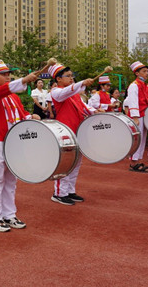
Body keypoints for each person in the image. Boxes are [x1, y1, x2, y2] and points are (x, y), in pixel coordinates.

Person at [0, 59, 39, 232]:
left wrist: (30, 117)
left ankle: (9, 214)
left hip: (13, 143)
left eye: (9, 74)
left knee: (11, 181)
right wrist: (23, 80)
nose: (8, 77)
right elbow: (3, 91)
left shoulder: (13, 97)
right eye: (4, 74)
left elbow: (21, 115)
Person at [48, 63, 96, 205]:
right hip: (65, 132)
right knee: (65, 163)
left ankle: (70, 190)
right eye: (67, 76)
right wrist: (82, 83)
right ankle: (59, 193)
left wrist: (96, 112)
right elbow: (64, 93)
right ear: (58, 79)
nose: (71, 78)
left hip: (77, 130)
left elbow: (84, 107)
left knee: (76, 163)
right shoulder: (56, 92)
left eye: (72, 76)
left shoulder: (73, 94)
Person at [126, 61, 148, 173]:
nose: (147, 73)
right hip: (138, 116)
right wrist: (135, 117)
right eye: (144, 71)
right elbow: (133, 101)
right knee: (137, 140)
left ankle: (137, 161)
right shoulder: (134, 85)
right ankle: (133, 163)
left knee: (142, 140)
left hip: (143, 115)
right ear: (137, 73)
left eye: (147, 71)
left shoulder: (144, 85)